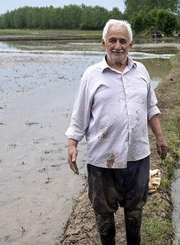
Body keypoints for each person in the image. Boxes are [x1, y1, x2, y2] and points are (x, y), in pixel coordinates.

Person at [65, 19, 168, 245]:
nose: (117, 46)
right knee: (103, 213)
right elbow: (80, 114)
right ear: (103, 43)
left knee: (135, 211)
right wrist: (72, 144)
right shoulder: (92, 76)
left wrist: (160, 139)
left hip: (137, 156)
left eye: (123, 41)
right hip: (103, 159)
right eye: (112, 40)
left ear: (130, 44)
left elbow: (151, 108)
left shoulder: (141, 71)